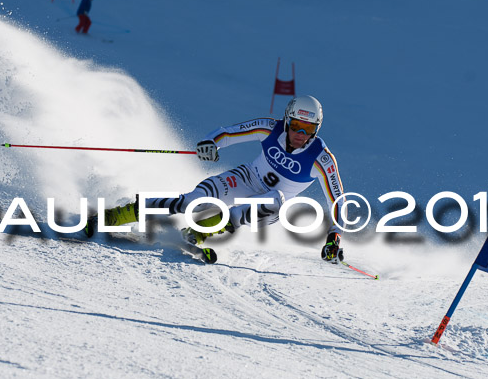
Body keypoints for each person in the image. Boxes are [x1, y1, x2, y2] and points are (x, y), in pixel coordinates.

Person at [85, 95, 347, 263]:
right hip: (246, 178)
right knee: (191, 203)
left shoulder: (321, 159)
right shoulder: (270, 127)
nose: (301, 134)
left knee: (273, 199)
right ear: (287, 121)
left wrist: (334, 237)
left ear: (316, 129)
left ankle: (200, 231)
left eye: (309, 129)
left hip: (269, 206)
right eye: (296, 126)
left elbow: (338, 202)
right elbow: (229, 133)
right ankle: (115, 216)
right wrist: (211, 143)